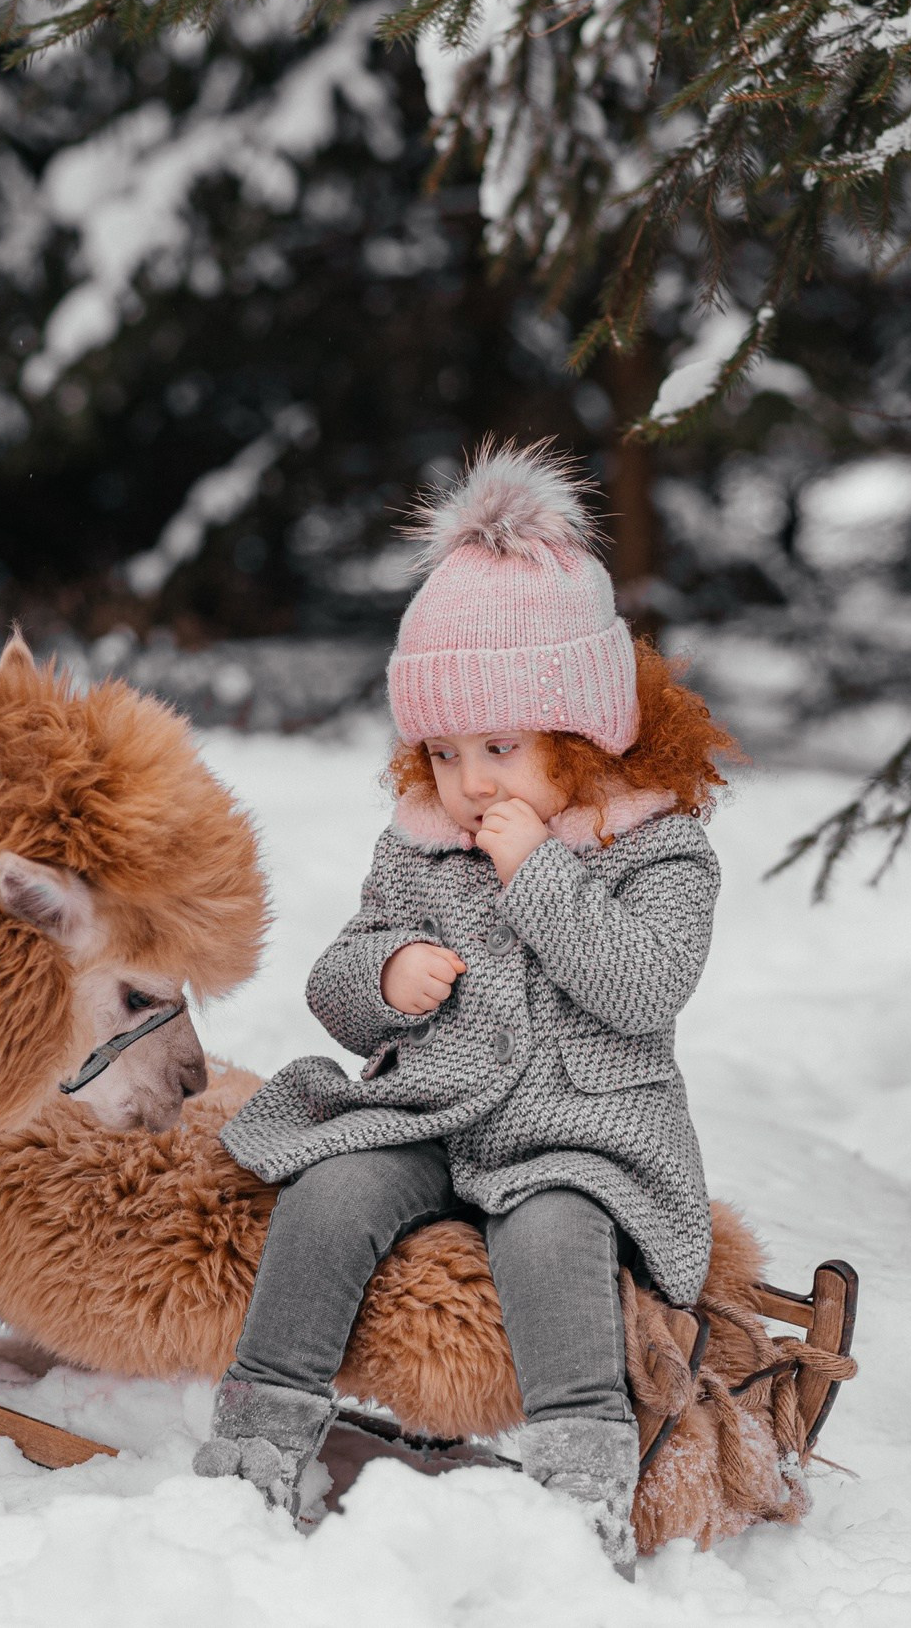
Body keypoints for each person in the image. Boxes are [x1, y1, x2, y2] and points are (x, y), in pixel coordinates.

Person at [196, 442, 738, 1574]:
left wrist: (541, 874)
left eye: (503, 748)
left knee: (552, 1237)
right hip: (434, 1113)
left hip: (578, 1135)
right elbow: (336, 985)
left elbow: (640, 987)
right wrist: (385, 973)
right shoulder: (425, 850)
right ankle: (262, 1427)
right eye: (445, 753)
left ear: (589, 741)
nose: (472, 782)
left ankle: (582, 1472)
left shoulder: (662, 854)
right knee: (332, 1189)